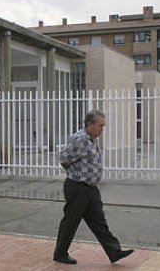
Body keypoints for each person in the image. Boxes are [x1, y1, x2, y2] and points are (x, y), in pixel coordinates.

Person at [53, 110, 134, 265]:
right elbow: (63, 159)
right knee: (70, 222)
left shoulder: (92, 138)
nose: (102, 129)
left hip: (90, 188)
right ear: (89, 125)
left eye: (103, 126)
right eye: (100, 126)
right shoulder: (81, 139)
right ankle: (60, 254)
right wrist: (75, 173)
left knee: (99, 221)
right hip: (78, 188)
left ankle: (114, 252)